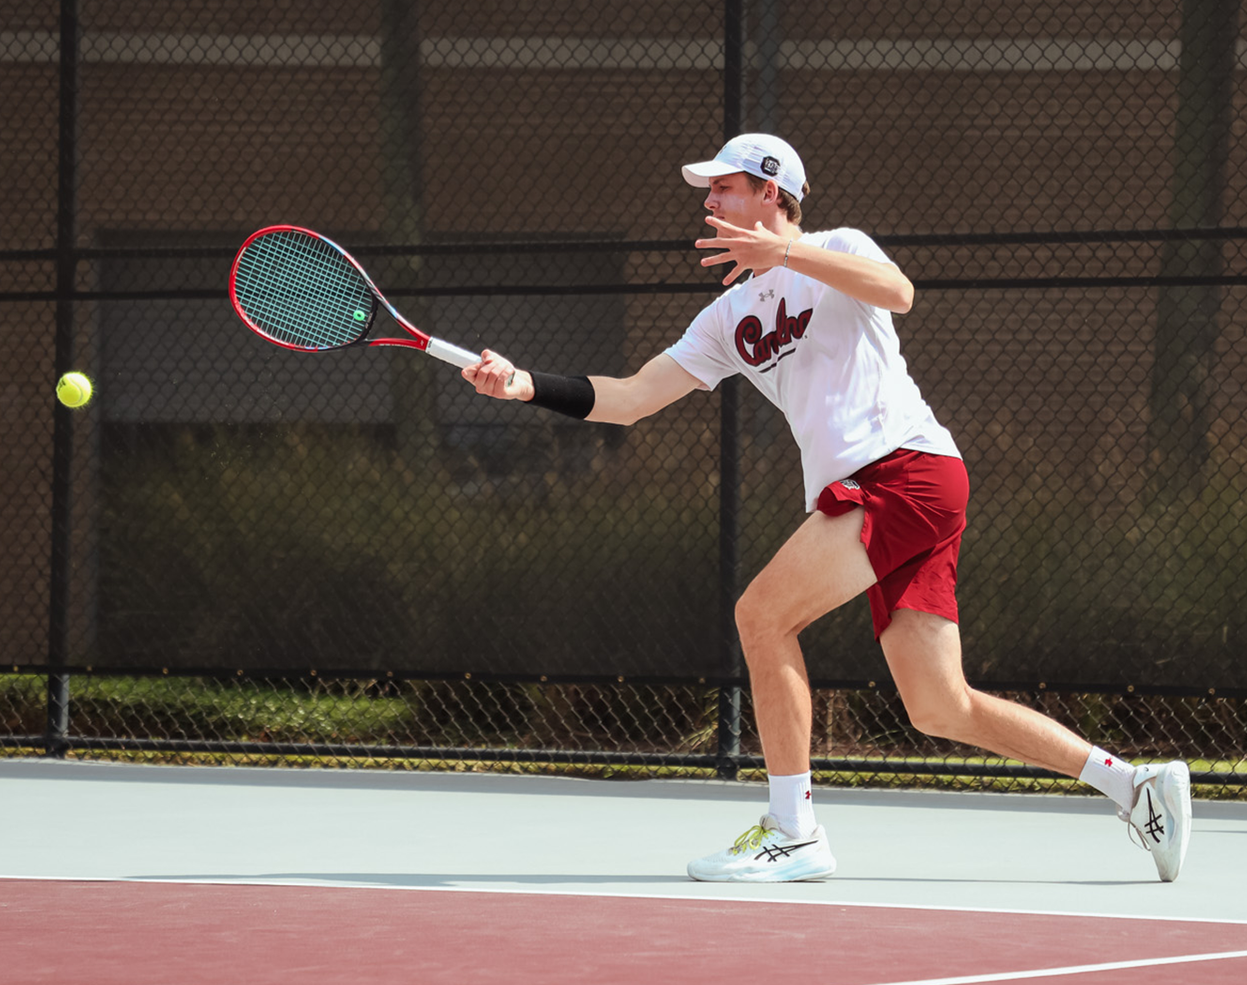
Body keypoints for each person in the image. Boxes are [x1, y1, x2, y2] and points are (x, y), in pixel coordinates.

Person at [462, 133, 1192, 883]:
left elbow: (898, 291)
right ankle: (1136, 787)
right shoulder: (728, 316)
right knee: (940, 705)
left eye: (725, 188)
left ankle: (794, 830)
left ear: (770, 193)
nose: (710, 202)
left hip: (905, 470)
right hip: (895, 489)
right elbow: (631, 397)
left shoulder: (838, 249)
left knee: (761, 613)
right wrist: (525, 385)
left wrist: (789, 255)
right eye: (708, 191)